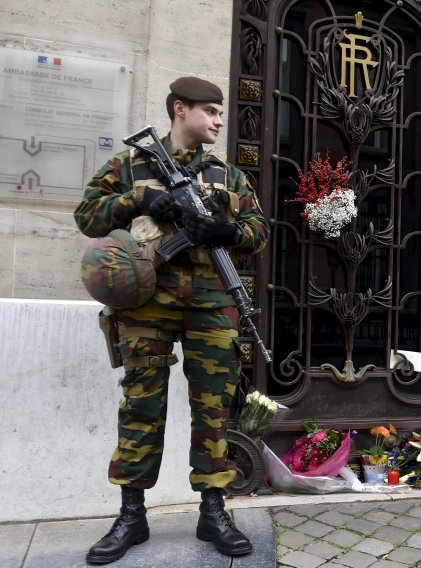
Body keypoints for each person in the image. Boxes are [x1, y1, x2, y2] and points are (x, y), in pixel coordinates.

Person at [75, 76, 269, 564]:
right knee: (141, 406)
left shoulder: (227, 176)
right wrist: (139, 200)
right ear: (180, 109)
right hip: (145, 303)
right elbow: (87, 216)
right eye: (210, 111)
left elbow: (259, 230)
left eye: (221, 113)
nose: (219, 121)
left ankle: (212, 510)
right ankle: (132, 515)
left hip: (210, 302)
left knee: (214, 410)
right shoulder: (131, 165)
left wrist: (224, 230)